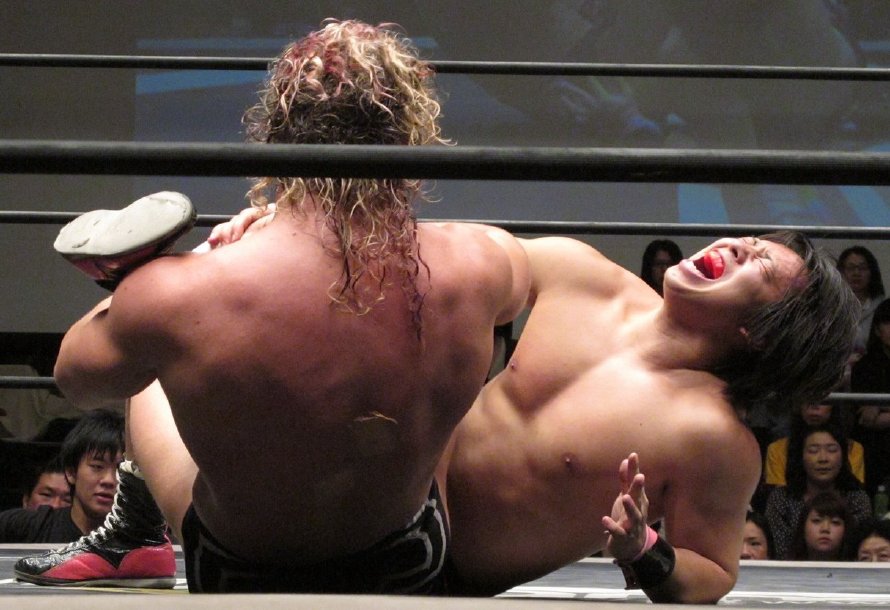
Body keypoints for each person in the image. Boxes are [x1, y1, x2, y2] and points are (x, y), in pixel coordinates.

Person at [16, 20, 530, 594]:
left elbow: (77, 379)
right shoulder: (487, 260)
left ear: (276, 133)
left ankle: (134, 535)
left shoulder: (185, 291)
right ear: (411, 134)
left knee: (160, 347)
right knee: (444, 351)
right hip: (409, 558)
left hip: (239, 570)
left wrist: (170, 269)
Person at [440, 230, 858, 603]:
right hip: (408, 472)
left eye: (761, 265)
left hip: (439, 565)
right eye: (749, 242)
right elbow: (468, 255)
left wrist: (645, 549)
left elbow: (714, 572)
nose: (736, 247)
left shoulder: (713, 436)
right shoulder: (583, 276)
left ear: (762, 332)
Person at [0, 409, 123, 543]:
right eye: (97, 466)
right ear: (71, 472)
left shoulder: (136, 538)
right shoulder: (26, 527)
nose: (109, 480)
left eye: (121, 469)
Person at [765, 425, 871, 559]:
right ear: (801, 456)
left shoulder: (857, 499)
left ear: (843, 456)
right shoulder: (782, 498)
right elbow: (779, 552)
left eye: (831, 450)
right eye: (813, 451)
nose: (823, 458)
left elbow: (860, 550)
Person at [763, 402, 865, 487]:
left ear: (833, 405)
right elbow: (781, 496)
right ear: (798, 405)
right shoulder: (777, 449)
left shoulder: (853, 448)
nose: (814, 406)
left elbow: (852, 493)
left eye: (822, 400)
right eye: (808, 398)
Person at [850, 297, 890, 499]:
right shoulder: (864, 367)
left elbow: (876, 415)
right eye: (888, 323)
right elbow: (865, 418)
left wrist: (880, 409)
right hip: (874, 447)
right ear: (876, 330)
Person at [837, 245, 885, 358]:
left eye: (862, 268)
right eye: (850, 268)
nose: (856, 273)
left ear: (871, 272)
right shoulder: (832, 308)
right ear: (841, 273)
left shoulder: (881, 308)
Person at [787, 491, 854, 561]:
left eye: (835, 522)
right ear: (803, 527)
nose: (825, 529)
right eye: (816, 520)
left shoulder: (858, 567)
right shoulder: (784, 567)